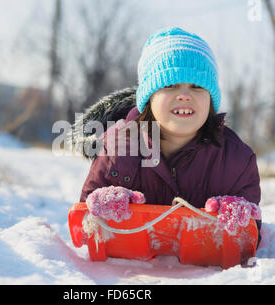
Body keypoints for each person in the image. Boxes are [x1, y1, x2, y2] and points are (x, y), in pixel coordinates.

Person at [75, 27, 262, 243]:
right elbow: (83, 227)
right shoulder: (116, 149)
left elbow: (251, 238)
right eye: (170, 85)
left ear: (211, 99)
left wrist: (241, 219)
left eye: (197, 86)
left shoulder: (236, 161)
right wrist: (99, 210)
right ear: (149, 97)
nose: (184, 95)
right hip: (130, 273)